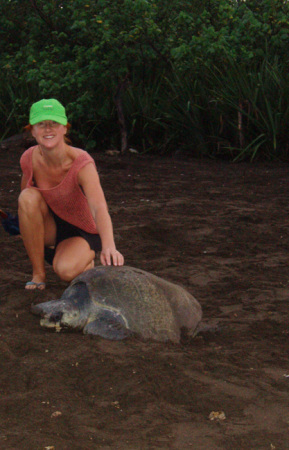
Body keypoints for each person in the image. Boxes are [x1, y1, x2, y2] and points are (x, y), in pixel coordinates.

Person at [18, 98, 124, 290]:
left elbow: (99, 206)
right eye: (41, 124)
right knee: (27, 196)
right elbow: (26, 202)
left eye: (54, 124)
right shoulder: (28, 159)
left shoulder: (82, 162)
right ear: (32, 131)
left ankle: (86, 257)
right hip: (52, 224)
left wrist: (109, 245)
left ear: (65, 128)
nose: (48, 129)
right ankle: (38, 274)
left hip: (81, 229)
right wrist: (26, 226)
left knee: (66, 272)